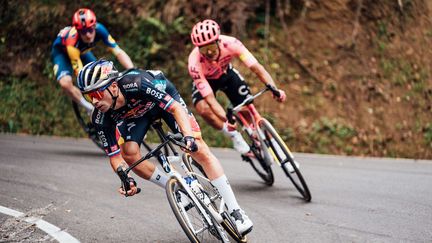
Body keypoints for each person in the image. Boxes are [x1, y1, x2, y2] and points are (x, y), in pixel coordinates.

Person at [77, 59, 253, 235]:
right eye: (88, 96)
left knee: (199, 148)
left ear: (113, 87)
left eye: (97, 94)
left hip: (162, 101)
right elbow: (115, 158)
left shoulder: (136, 83)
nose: (93, 101)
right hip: (135, 116)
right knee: (129, 153)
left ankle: (236, 212)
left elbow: (176, 108)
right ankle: (176, 188)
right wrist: (125, 177)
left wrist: (189, 137)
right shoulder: (100, 118)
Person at [188, 19, 286, 155]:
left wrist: (274, 89)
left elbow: (257, 68)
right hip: (207, 81)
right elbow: (210, 99)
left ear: (218, 41)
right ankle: (234, 136)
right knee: (203, 108)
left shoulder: (231, 44)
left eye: (211, 46)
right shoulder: (194, 63)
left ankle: (270, 142)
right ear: (198, 49)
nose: (209, 52)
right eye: (204, 49)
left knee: (246, 108)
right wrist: (228, 120)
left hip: (226, 74)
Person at [51, 8, 133, 115]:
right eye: (83, 32)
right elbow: (80, 74)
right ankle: (89, 108)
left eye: (90, 30)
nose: (88, 35)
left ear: (94, 26)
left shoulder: (100, 30)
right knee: (66, 83)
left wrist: (132, 70)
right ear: (77, 31)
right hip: (62, 53)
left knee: (102, 76)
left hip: (83, 51)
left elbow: (118, 51)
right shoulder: (72, 42)